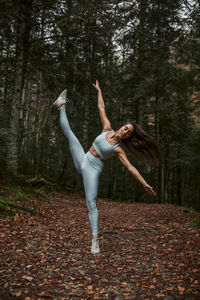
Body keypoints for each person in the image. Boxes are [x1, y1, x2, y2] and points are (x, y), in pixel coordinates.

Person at [53, 80, 162, 254]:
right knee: (70, 134)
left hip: (92, 170)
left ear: (128, 137)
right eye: (125, 128)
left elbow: (130, 167)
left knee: (91, 204)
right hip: (84, 158)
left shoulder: (118, 150)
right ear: (122, 126)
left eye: (128, 132)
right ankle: (61, 106)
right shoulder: (107, 129)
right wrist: (99, 91)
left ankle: (95, 240)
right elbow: (101, 108)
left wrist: (144, 183)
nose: (125, 131)